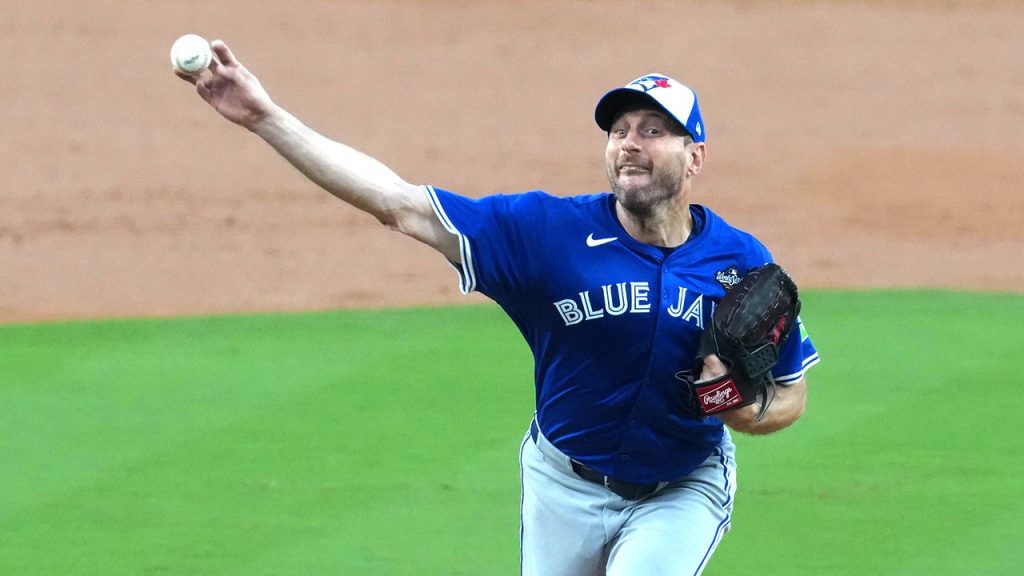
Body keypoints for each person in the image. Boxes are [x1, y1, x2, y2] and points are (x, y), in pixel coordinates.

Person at [176, 40, 820, 576]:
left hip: (682, 488)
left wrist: (745, 407)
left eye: (654, 131)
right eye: (619, 130)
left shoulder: (742, 262)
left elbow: (791, 391)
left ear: (695, 157)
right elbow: (398, 204)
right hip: (561, 485)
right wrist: (265, 118)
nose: (630, 143)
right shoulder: (547, 234)